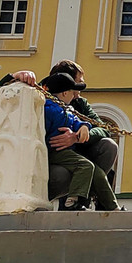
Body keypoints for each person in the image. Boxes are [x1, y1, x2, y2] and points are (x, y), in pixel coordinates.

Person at [41, 72, 119, 211]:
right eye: (74, 90)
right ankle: (73, 202)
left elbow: (82, 122)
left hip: (71, 151)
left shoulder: (68, 108)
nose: (77, 94)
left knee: (97, 173)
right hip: (55, 151)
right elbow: (41, 129)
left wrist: (84, 127)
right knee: (85, 166)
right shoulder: (49, 109)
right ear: (65, 93)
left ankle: (112, 207)